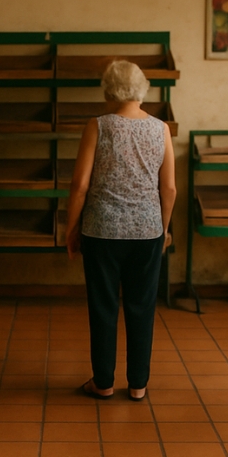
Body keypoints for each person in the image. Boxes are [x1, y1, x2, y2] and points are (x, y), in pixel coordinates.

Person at [66, 59, 177, 402]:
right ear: (143, 89)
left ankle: (103, 382)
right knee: (142, 306)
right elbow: (169, 189)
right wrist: (164, 229)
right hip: (147, 232)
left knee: (103, 306)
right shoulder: (161, 129)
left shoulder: (98, 126)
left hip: (101, 231)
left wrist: (71, 228)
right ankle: (139, 384)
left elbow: (80, 185)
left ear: (109, 90)